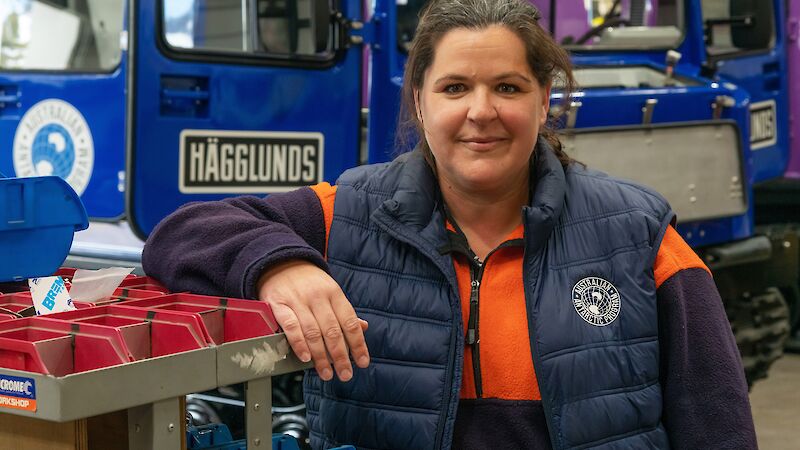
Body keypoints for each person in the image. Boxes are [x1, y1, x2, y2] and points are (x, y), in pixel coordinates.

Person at [142, 0, 757, 448]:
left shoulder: (640, 234)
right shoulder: (347, 214)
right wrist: (280, 264)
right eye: (455, 86)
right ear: (420, 100)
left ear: (545, 101)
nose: (481, 111)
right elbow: (178, 235)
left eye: (508, 87)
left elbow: (717, 422)